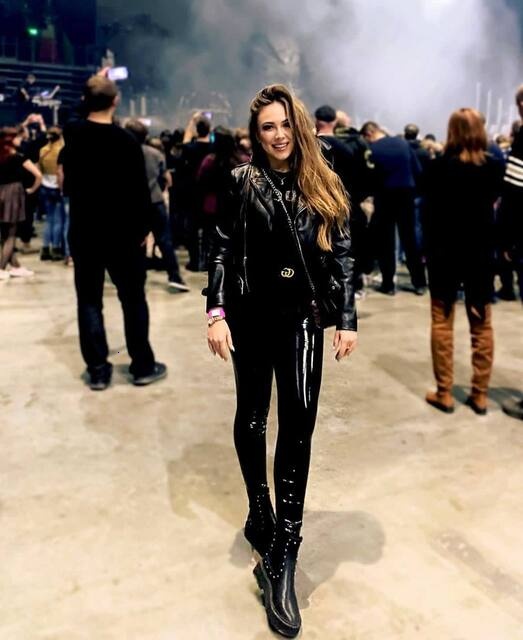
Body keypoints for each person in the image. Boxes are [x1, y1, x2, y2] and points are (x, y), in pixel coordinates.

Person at [205, 84, 358, 638]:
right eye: (268, 127)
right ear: (256, 133)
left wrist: (348, 317)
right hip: (249, 317)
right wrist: (215, 311)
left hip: (302, 319)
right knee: (252, 417)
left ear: (301, 126)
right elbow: (221, 246)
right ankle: (259, 511)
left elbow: (343, 252)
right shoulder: (241, 181)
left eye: (286, 124)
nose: (278, 135)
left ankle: (285, 548)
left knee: (298, 425)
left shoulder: (324, 180)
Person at [61, 74, 166, 390]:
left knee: (89, 301)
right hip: (123, 236)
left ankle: (97, 371)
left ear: (85, 100)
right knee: (133, 300)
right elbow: (139, 193)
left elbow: (72, 113)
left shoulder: (74, 134)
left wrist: (92, 87)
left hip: (84, 233)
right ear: (116, 101)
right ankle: (142, 366)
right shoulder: (127, 142)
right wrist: (145, 230)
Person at [423, 108, 504, 415]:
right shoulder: (494, 166)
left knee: (442, 322)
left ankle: (444, 393)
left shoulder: (437, 166)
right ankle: (480, 395)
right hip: (480, 255)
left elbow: (428, 214)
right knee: (481, 325)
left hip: (443, 254)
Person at [362, 120, 427, 295]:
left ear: (369, 133)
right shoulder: (403, 143)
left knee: (386, 242)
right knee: (410, 239)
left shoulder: (372, 149)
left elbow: (370, 176)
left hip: (384, 196)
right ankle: (419, 283)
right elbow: (417, 170)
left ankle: (388, 284)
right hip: (406, 194)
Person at [124, 119, 189, 292]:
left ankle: (134, 276)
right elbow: (167, 179)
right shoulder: (156, 154)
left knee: (133, 241)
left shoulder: (121, 154)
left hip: (132, 204)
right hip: (155, 201)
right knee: (165, 240)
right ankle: (175, 277)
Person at [0, 127, 41, 279]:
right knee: (11, 234)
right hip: (13, 193)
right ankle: (1, 268)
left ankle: (15, 266)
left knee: (4, 234)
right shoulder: (18, 157)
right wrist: (31, 189)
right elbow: (38, 175)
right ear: (12, 140)